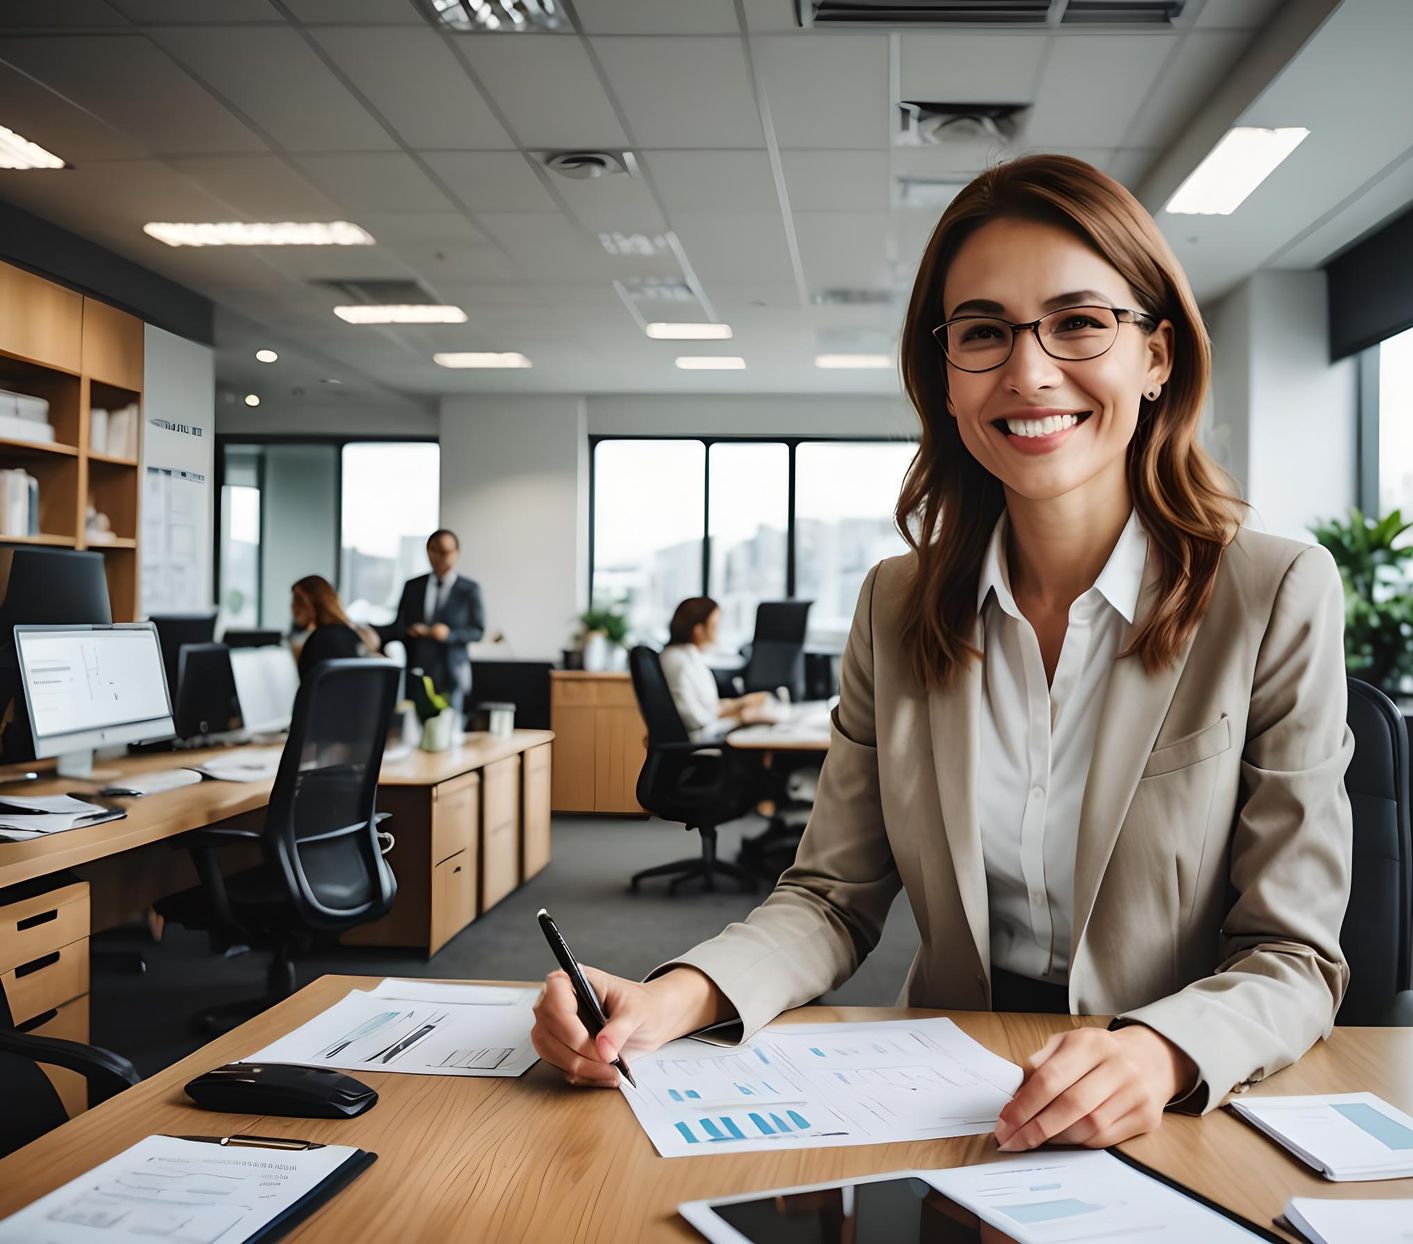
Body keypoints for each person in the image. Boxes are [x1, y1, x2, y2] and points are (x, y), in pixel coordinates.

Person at [533, 155, 1353, 1153]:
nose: (1029, 371)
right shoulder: (898, 602)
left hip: (1176, 1101)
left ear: (1157, 355)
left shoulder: (1272, 593)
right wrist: (676, 994)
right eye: (983, 333)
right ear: (948, 380)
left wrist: (1157, 1049)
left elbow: (1292, 952)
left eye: (1079, 321)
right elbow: (831, 897)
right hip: (956, 1092)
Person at [384, 529, 485, 711]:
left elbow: (478, 631)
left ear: (456, 553)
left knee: (450, 730)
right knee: (415, 729)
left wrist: (450, 634)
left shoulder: (469, 589)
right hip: (419, 669)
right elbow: (398, 626)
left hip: (453, 671)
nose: (440, 557)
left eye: (446, 552)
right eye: (434, 551)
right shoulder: (412, 586)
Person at [658, 597, 772, 743]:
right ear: (698, 630)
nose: (718, 631)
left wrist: (739, 704)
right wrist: (738, 715)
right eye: (714, 625)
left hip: (704, 733)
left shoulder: (686, 657)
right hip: (702, 740)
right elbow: (695, 719)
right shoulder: (680, 662)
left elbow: (706, 706)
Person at [289, 574, 378, 673]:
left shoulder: (319, 640)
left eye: (297, 601)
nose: (292, 608)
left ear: (310, 604)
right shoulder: (351, 635)